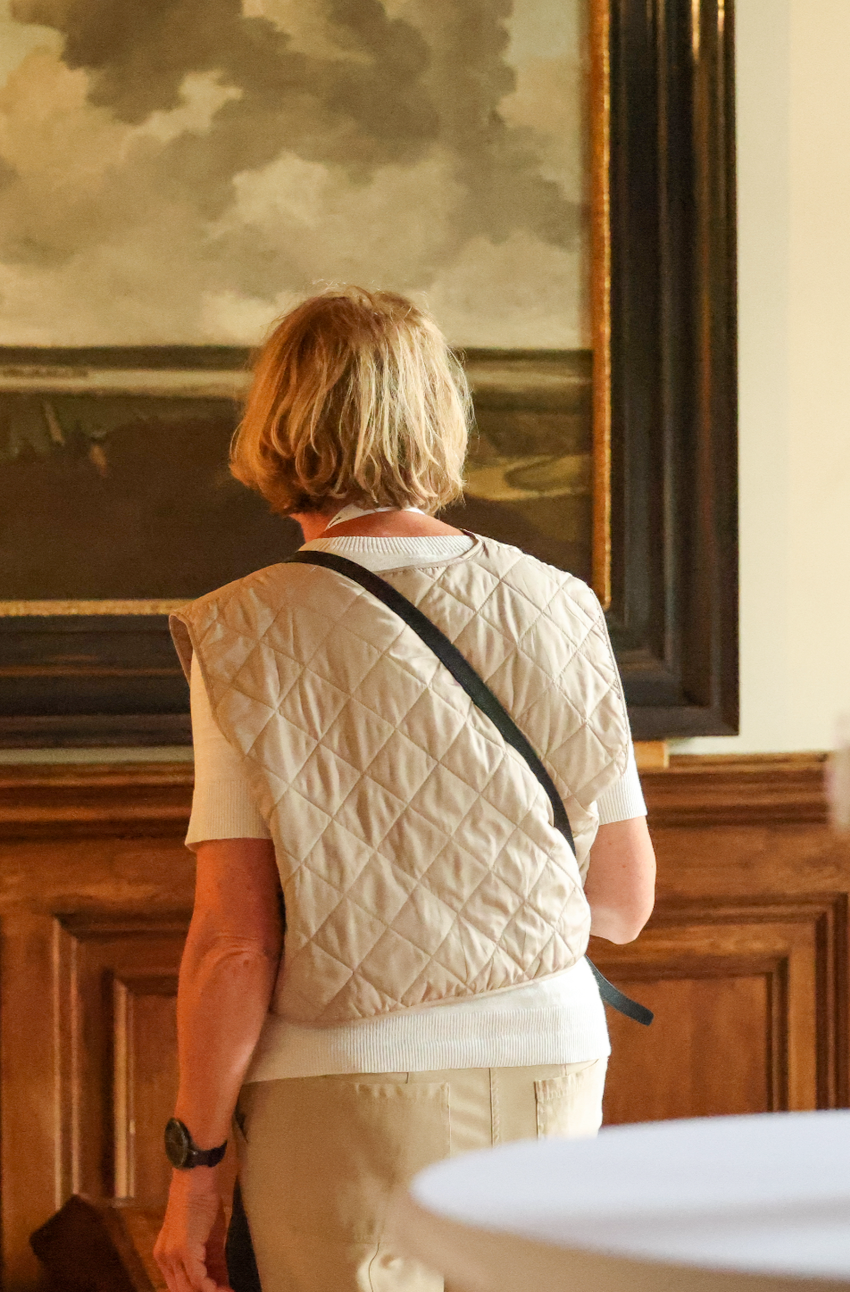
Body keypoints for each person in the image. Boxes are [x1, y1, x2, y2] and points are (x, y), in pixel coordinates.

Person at [155, 287, 656, 1292]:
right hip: (551, 1057)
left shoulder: (246, 628)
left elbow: (237, 942)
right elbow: (622, 900)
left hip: (344, 1079)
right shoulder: (561, 603)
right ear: (436, 416)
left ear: (277, 421)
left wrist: (193, 1172)